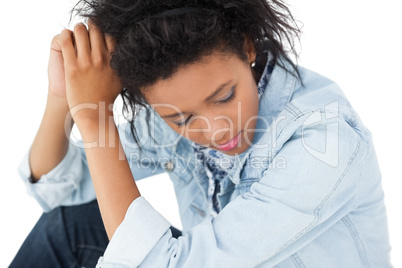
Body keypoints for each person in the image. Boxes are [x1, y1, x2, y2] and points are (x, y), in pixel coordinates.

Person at [11, 0, 391, 267]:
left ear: (246, 45)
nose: (215, 129)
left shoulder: (324, 144)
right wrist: (65, 98)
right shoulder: (170, 116)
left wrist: (95, 121)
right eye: (181, 119)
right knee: (69, 229)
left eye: (225, 96)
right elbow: (59, 188)